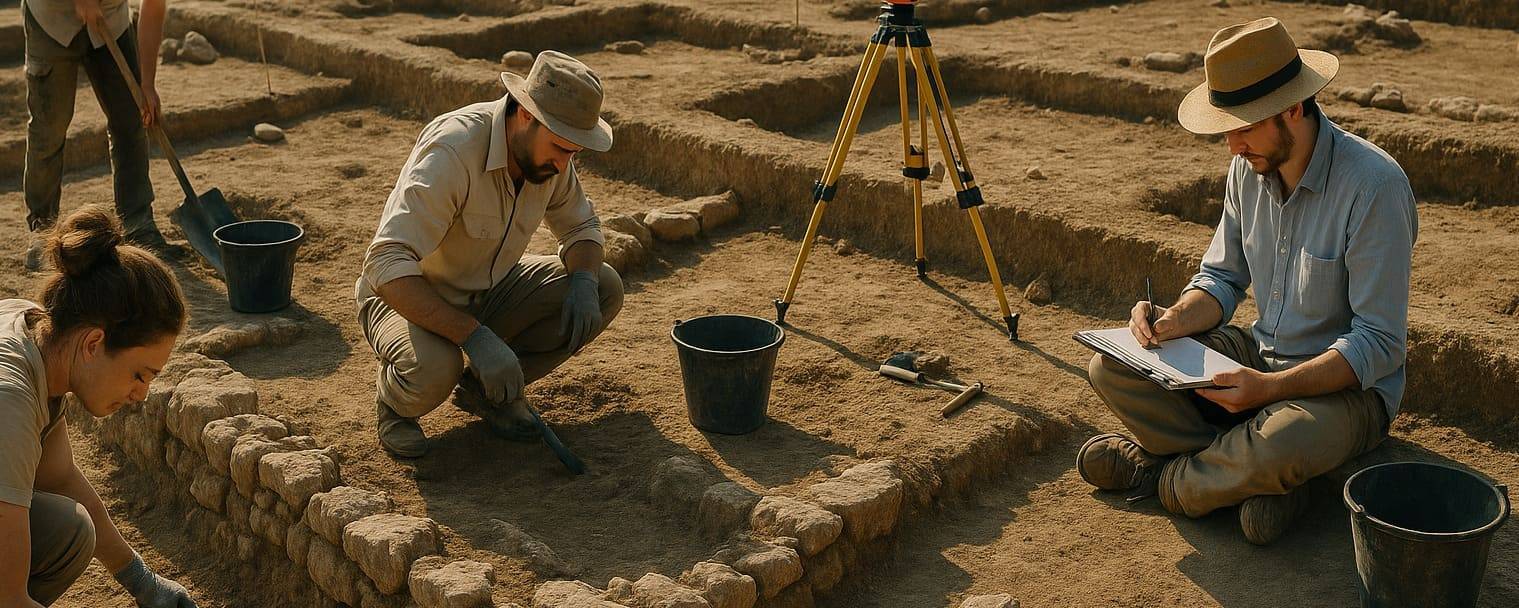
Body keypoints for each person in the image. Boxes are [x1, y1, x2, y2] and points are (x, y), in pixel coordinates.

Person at [1076, 17, 1418, 545]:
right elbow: (1220, 279)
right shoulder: (1248, 168)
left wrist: (1272, 389)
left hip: (1342, 395)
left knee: (1287, 438)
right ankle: (1256, 482)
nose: (1233, 146)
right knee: (1111, 367)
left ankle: (1163, 478)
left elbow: (1379, 343)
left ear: (1292, 107)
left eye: (1243, 127)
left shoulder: (1374, 187)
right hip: (1257, 358)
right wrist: (1169, 322)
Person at [357, 51, 625, 458]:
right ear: (524, 115)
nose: (564, 162)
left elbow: (581, 228)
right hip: (408, 298)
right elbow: (386, 265)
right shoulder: (454, 151)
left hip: (488, 289)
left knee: (605, 286)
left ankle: (488, 393)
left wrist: (584, 281)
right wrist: (475, 337)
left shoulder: (551, 155)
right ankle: (394, 405)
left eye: (575, 152)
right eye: (559, 147)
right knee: (435, 369)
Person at [0, 206, 198, 607]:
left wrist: (143, 582)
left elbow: (60, 477)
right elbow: (10, 600)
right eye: (140, 375)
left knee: (69, 531)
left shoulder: (38, 333)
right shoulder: (10, 403)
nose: (140, 394)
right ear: (93, 343)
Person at [21, 0, 171, 271]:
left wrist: (147, 84)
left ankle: (138, 224)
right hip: (51, 18)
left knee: (131, 121)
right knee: (49, 130)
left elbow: (154, 5)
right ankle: (42, 229)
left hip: (111, 21)